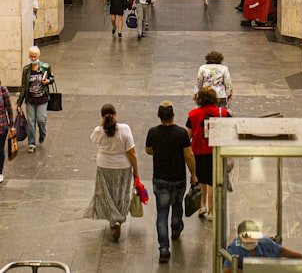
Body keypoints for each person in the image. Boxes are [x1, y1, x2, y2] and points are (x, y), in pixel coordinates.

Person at [145, 101, 198, 264]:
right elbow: (188, 155)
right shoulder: (181, 134)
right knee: (177, 205)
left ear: (158, 116)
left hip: (160, 179)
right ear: (173, 115)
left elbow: (148, 150)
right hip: (178, 179)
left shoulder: (153, 132)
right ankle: (175, 229)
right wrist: (194, 175)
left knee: (162, 212)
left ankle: (164, 249)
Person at [84, 103, 140, 242]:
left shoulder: (99, 130)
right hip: (123, 166)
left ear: (102, 116)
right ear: (115, 113)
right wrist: (136, 172)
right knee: (121, 193)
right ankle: (118, 218)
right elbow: (131, 152)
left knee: (106, 193)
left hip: (104, 166)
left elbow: (94, 140)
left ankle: (112, 218)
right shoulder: (125, 129)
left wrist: (101, 125)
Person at [185, 87, 230, 220]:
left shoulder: (193, 114)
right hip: (215, 151)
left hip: (198, 151)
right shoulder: (222, 112)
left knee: (201, 178)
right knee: (212, 182)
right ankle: (211, 211)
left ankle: (202, 205)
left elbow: (187, 135)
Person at [223, 219, 302, 271]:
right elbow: (227, 270)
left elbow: (282, 251)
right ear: (240, 238)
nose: (250, 241)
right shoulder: (235, 248)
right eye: (246, 237)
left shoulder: (265, 243)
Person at [17, 46, 54, 153]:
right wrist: (19, 102)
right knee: (30, 122)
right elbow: (24, 86)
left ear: (38, 56)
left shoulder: (45, 67)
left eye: (35, 56)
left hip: (42, 98)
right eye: (31, 57)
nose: (33, 59)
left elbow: (52, 78)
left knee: (41, 120)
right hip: (30, 99)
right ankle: (31, 143)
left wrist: (48, 81)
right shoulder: (26, 70)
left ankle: (43, 133)